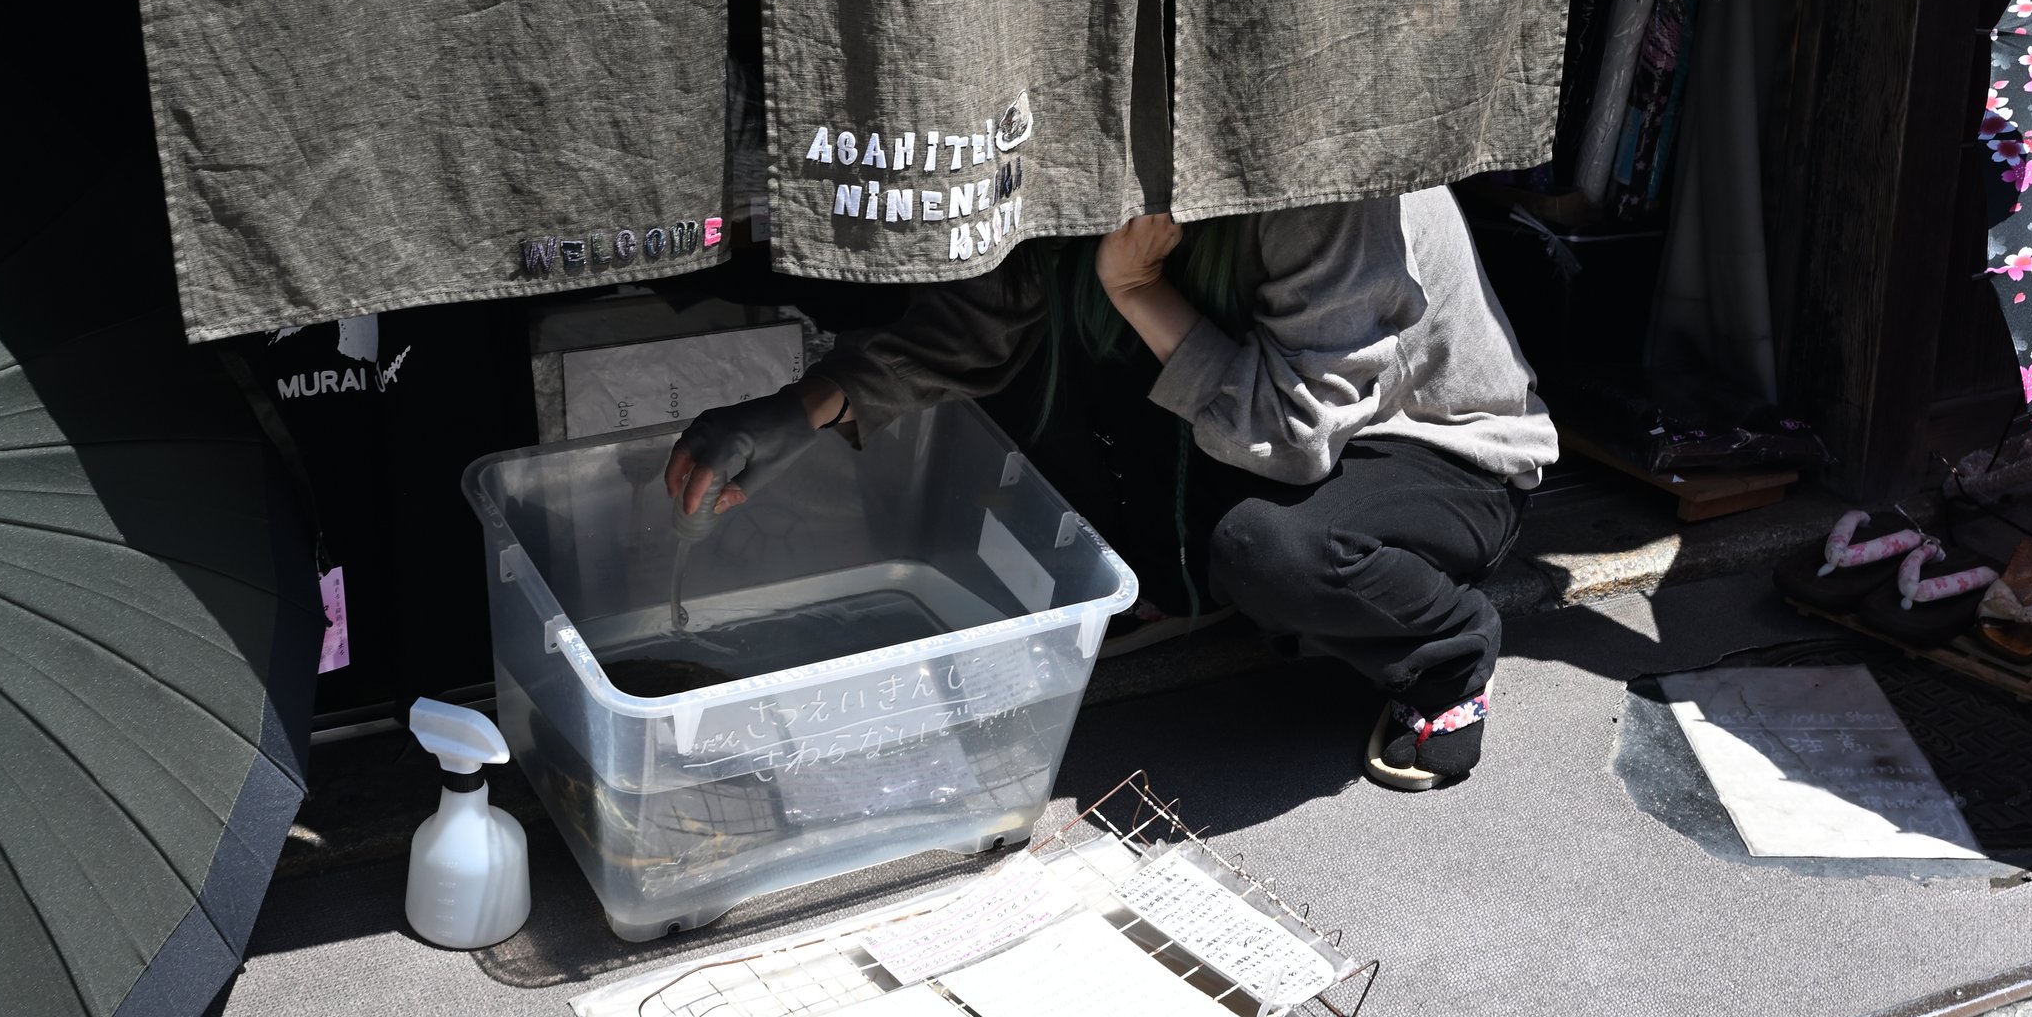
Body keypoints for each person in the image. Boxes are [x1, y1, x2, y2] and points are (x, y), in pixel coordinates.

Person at [664, 190, 1557, 789]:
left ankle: (1445, 648)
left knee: (1272, 550)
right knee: (1021, 375)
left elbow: (1295, 433)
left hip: (1429, 447)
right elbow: (987, 324)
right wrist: (798, 413)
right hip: (1241, 420)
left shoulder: (1326, 179)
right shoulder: (1082, 144)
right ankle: (1176, 585)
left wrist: (1133, 288)